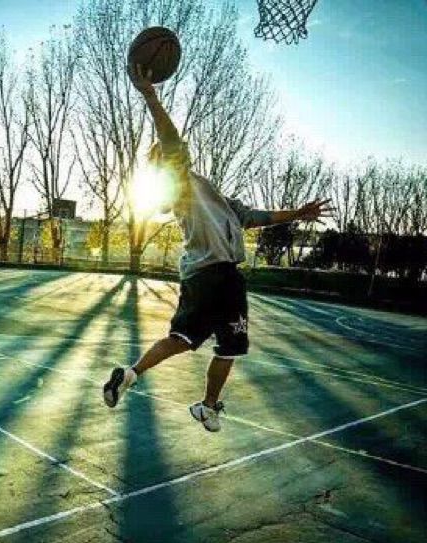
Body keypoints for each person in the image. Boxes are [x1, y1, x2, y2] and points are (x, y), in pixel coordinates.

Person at [103, 65, 334, 431]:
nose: (183, 151)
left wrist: (298, 213)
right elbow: (170, 139)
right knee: (228, 346)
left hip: (206, 276)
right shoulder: (179, 181)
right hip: (217, 276)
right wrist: (150, 96)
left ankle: (135, 376)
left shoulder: (216, 197)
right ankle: (206, 405)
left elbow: (258, 216)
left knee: (187, 341)